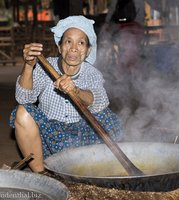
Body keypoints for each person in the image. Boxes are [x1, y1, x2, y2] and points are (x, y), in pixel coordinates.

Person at [9, 15, 122, 173]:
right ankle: (41, 173)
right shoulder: (45, 66)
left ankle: (88, 168)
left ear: (88, 51)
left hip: (81, 139)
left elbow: (100, 100)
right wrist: (28, 66)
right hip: (49, 137)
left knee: (107, 117)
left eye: (81, 43)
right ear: (60, 46)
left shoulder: (92, 73)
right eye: (68, 41)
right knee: (22, 112)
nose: (74, 48)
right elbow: (24, 98)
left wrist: (75, 91)